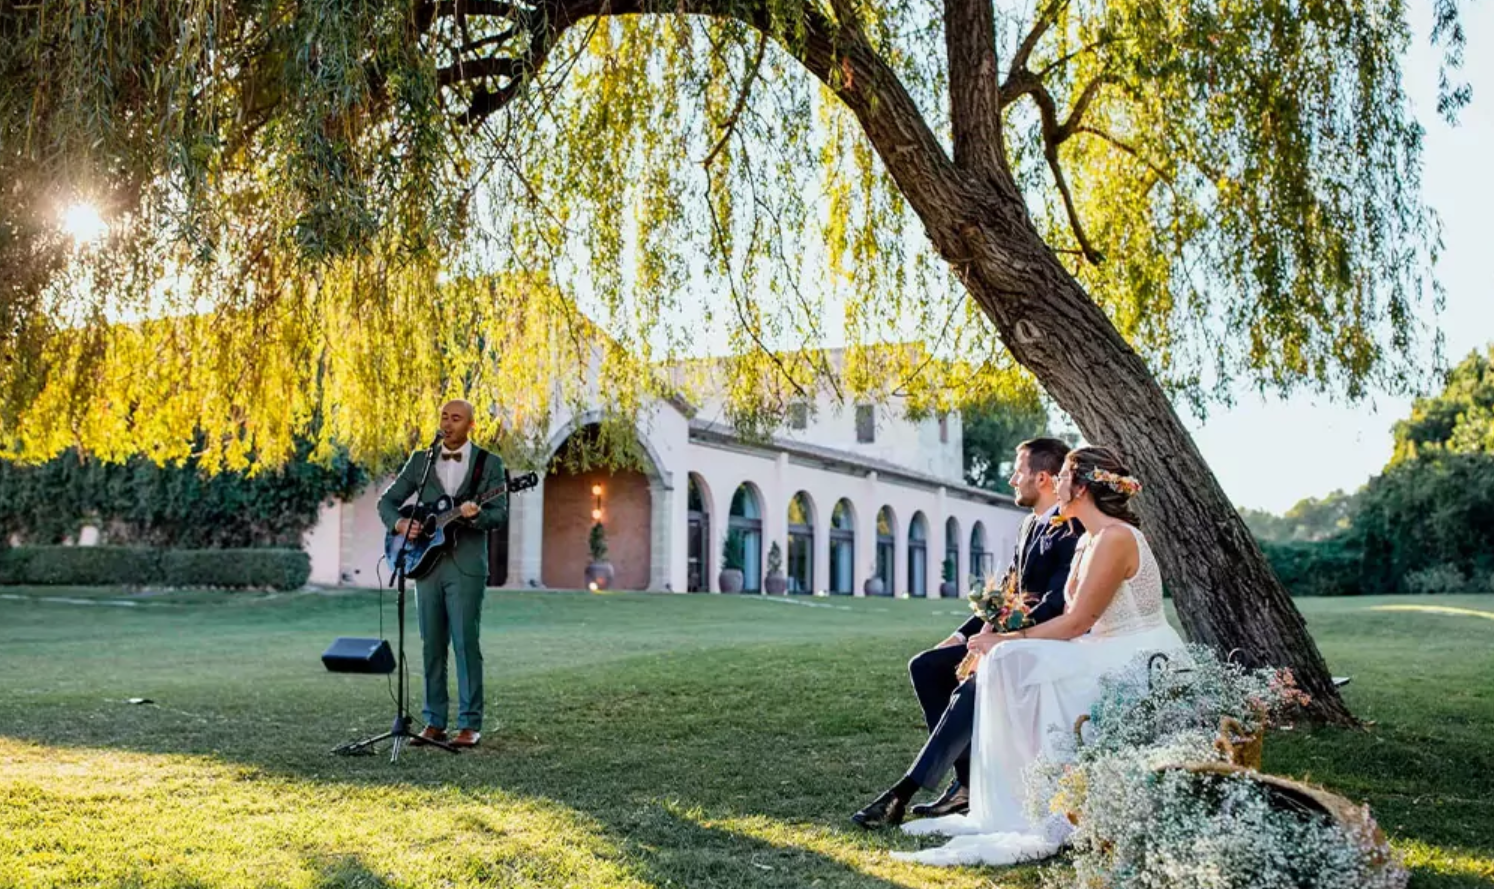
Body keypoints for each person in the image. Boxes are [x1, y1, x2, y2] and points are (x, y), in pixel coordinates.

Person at [892, 446, 1187, 866]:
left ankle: (1038, 795)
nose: (1058, 480)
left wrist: (1008, 642)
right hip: (1097, 646)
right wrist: (992, 637)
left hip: (1133, 654)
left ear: (1081, 487)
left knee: (1016, 662)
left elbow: (1077, 621)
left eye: (1065, 475)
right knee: (1010, 663)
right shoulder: (1087, 539)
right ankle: (998, 789)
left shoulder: (1115, 538)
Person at [852, 438, 1083, 828]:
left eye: (1018, 472)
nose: (1011, 479)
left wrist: (996, 642)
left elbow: (1054, 604)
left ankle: (902, 792)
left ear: (1042, 478)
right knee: (927, 665)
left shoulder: (1072, 530)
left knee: (974, 681)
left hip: (1048, 643)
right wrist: (962, 638)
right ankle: (965, 784)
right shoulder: (1029, 526)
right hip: (1013, 635)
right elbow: (1006, 596)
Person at [377, 399, 508, 749]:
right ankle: (434, 722)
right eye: (444, 417)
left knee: (466, 644)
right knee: (431, 644)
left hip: (466, 567)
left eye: (456, 419)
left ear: (470, 425)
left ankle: (469, 724)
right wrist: (401, 523)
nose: (448, 424)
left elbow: (499, 514)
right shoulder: (421, 461)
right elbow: (385, 503)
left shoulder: (489, 464)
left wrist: (474, 515)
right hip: (425, 565)